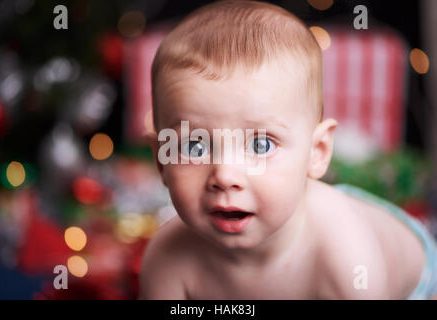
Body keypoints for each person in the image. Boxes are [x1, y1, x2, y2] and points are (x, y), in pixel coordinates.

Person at [139, 0, 437, 299]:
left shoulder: (347, 258)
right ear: (161, 160)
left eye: (261, 144)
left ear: (316, 152)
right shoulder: (167, 260)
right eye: (194, 146)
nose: (225, 175)